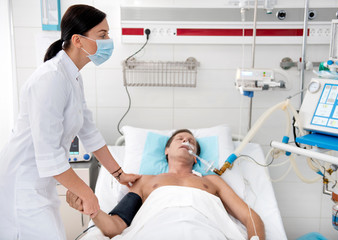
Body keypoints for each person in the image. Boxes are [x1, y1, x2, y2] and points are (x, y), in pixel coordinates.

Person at [0, 4, 140, 240]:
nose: (108, 41)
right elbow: (48, 154)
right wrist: (87, 193)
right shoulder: (50, 78)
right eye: (102, 35)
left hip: (39, 186)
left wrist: (119, 174)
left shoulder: (72, 76)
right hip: (22, 187)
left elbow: (89, 131)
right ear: (78, 40)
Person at [67, 129, 265, 240]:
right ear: (167, 151)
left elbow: (250, 217)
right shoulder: (145, 180)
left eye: (191, 141)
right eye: (180, 139)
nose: (186, 141)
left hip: (205, 231)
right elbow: (116, 226)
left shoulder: (212, 181)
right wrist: (93, 211)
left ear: (196, 158)